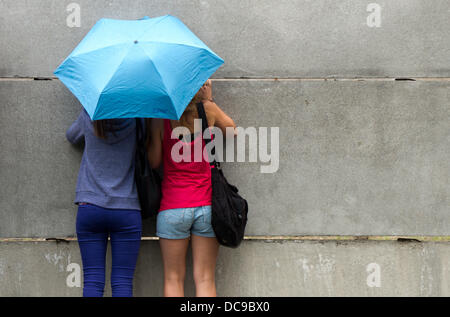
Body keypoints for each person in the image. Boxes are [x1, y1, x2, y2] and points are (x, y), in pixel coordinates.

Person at [147, 79, 236, 297]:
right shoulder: (207, 109)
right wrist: (209, 100)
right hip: (206, 206)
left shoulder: (160, 119)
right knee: (205, 279)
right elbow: (232, 132)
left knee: (173, 278)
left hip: (172, 207)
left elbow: (154, 162)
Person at [66, 111, 143, 297]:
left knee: (92, 280)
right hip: (127, 209)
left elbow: (71, 136)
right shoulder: (137, 117)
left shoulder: (89, 114)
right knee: (123, 283)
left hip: (90, 205)